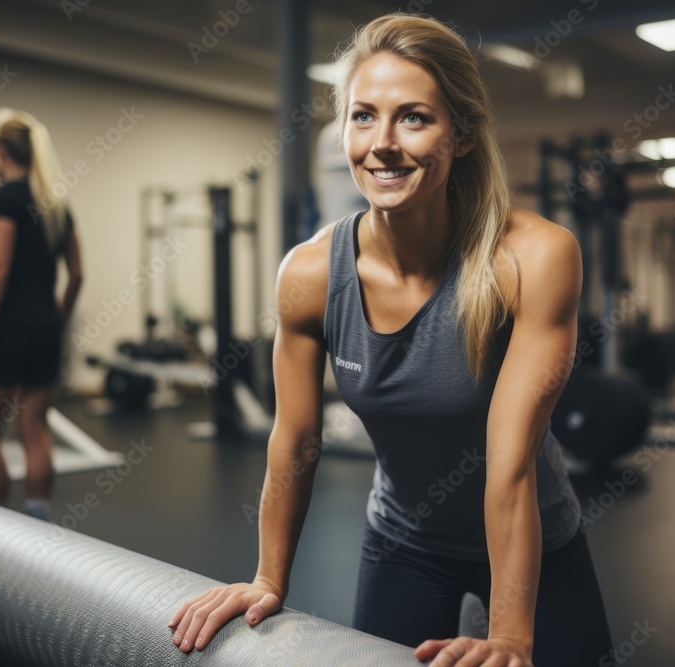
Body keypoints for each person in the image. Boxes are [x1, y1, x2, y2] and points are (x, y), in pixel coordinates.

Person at [169, 14, 612, 666]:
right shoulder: (310, 275)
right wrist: (267, 577)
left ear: (460, 135)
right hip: (404, 542)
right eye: (362, 116)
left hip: (537, 540)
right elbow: (294, 438)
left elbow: (509, 463)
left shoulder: (534, 259)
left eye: (412, 118)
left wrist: (512, 637)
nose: (381, 144)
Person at [0, 108, 83, 522]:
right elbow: (78, 274)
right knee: (35, 430)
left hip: (7, 329)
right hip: (45, 328)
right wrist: (58, 322)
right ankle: (35, 516)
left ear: (1, 150)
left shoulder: (4, 197)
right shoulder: (57, 204)